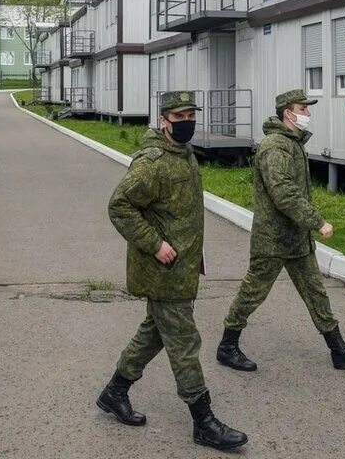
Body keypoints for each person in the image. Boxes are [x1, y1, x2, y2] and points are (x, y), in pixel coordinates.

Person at [96, 91, 248, 452]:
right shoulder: (152, 163)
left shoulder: (183, 154)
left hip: (182, 268)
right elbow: (120, 207)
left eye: (190, 115)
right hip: (161, 269)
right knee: (184, 342)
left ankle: (115, 392)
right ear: (163, 121)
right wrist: (156, 244)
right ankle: (204, 422)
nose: (186, 123)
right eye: (179, 117)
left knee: (154, 333)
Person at [216, 89, 345, 372]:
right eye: (303, 109)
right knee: (253, 293)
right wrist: (317, 221)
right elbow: (284, 193)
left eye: (306, 109)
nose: (307, 114)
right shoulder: (275, 147)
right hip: (274, 239)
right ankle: (227, 346)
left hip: (296, 239)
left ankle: (339, 350)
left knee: (315, 292)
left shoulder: (292, 143)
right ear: (287, 113)